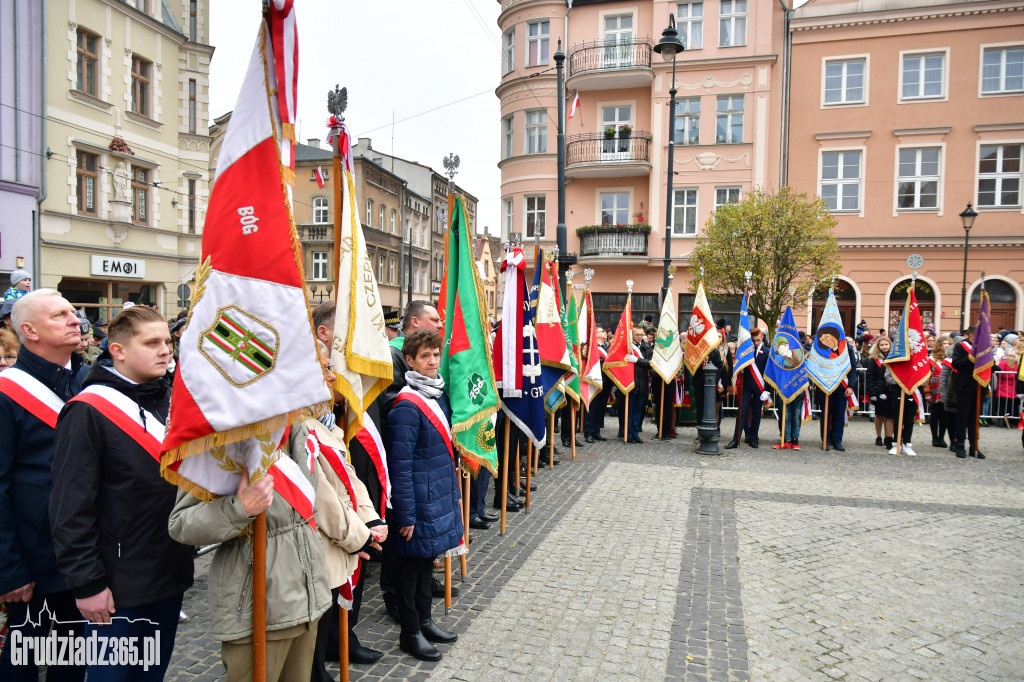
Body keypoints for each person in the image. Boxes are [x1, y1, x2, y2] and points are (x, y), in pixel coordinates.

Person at [49, 305, 194, 681]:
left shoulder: (169, 399)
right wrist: (88, 584)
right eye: (152, 343)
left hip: (168, 570)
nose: (166, 350)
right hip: (117, 585)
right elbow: (69, 506)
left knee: (151, 674)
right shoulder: (87, 411)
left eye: (167, 341)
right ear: (118, 351)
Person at [167, 428, 331, 681]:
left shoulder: (297, 424)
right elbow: (181, 523)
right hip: (257, 602)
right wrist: (239, 508)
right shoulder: (223, 433)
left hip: (308, 594)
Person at [0, 289, 86, 681]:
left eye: (72, 311)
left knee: (73, 662)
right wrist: (9, 570)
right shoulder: (7, 394)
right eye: (59, 315)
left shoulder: (83, 381)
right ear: (29, 331)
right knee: (21, 665)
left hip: (79, 557)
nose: (75, 319)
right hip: (30, 563)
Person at [306, 342, 387, 673]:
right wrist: (360, 537)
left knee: (327, 624)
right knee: (311, 648)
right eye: (326, 368)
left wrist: (370, 519)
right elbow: (323, 498)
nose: (333, 375)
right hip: (324, 545)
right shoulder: (300, 428)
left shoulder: (324, 422)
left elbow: (349, 476)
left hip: (346, 539)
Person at [385, 329, 463, 662]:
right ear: (411, 361)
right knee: (409, 570)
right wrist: (405, 515)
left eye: (435, 355)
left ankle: (426, 622)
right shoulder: (406, 404)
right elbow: (399, 466)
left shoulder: (433, 395)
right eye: (425, 356)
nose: (432, 362)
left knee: (423, 568)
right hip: (416, 502)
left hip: (434, 498)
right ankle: (410, 632)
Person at [815, 328, 859, 452]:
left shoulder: (847, 349)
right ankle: (825, 440)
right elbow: (816, 366)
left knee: (839, 414)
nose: (827, 339)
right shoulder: (822, 350)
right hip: (826, 386)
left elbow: (853, 368)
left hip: (842, 387)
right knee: (826, 414)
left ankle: (837, 441)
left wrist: (851, 386)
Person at [733, 327, 770, 449]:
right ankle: (736, 439)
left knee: (756, 414)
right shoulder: (746, 351)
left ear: (762, 338)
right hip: (746, 385)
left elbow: (769, 372)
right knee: (741, 412)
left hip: (759, 387)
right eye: (753, 340)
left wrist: (767, 390)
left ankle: (753, 438)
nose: (755, 343)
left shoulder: (766, 352)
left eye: (758, 340)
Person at [951, 326, 984, 459]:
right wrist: (971, 357)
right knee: (962, 417)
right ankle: (960, 445)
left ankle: (974, 446)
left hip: (979, 386)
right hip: (964, 386)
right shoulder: (960, 346)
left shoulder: (984, 348)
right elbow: (956, 364)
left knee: (975, 418)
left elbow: (992, 366)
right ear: (969, 335)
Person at [624, 325, 652, 444]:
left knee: (638, 411)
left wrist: (638, 360)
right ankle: (628, 434)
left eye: (641, 335)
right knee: (629, 410)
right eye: (637, 335)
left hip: (643, 383)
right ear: (632, 335)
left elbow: (651, 363)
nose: (640, 337)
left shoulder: (647, 347)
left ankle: (635, 434)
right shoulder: (627, 347)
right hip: (630, 383)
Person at [866, 337, 895, 448]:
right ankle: (878, 436)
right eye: (882, 345)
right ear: (878, 346)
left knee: (889, 415)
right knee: (879, 415)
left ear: (890, 345)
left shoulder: (893, 358)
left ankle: (888, 437)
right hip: (877, 391)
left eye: (886, 344)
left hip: (890, 390)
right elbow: (870, 376)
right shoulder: (873, 359)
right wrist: (872, 392)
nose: (884, 347)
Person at [583, 326, 610, 442]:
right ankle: (588, 431)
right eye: (602, 331)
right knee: (592, 407)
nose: (605, 333)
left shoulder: (607, 347)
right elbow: (591, 361)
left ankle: (596, 431)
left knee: (601, 408)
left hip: (606, 381)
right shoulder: (592, 347)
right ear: (596, 334)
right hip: (594, 381)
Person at [926, 336, 951, 447]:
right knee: (935, 416)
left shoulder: (951, 360)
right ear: (939, 345)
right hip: (934, 392)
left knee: (945, 416)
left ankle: (941, 438)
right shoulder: (931, 360)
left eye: (949, 344)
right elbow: (927, 378)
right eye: (944, 343)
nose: (947, 346)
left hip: (946, 393)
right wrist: (927, 392)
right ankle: (935, 438)